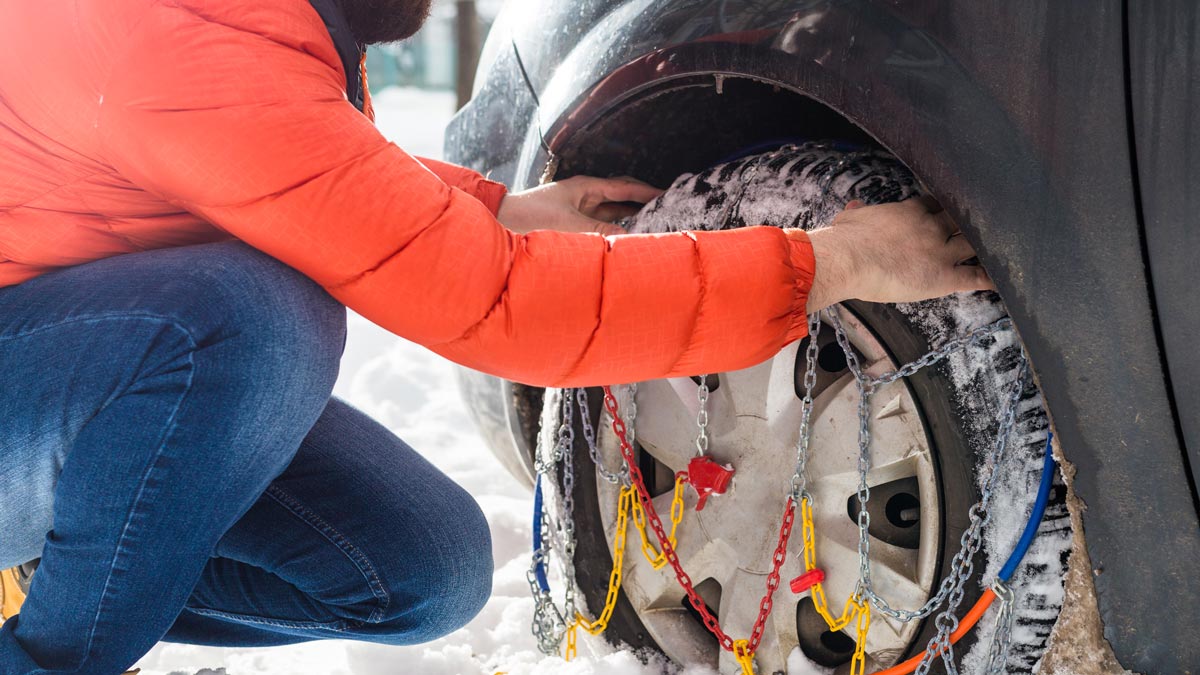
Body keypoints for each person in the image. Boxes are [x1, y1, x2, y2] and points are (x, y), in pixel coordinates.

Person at [0, 0, 992, 672]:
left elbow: (281, 166)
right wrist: (834, 264)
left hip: (72, 376)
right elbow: (502, 307)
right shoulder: (171, 38)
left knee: (418, 569)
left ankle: (51, 569)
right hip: (38, 370)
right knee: (256, 325)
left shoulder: (241, 24)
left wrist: (498, 211)